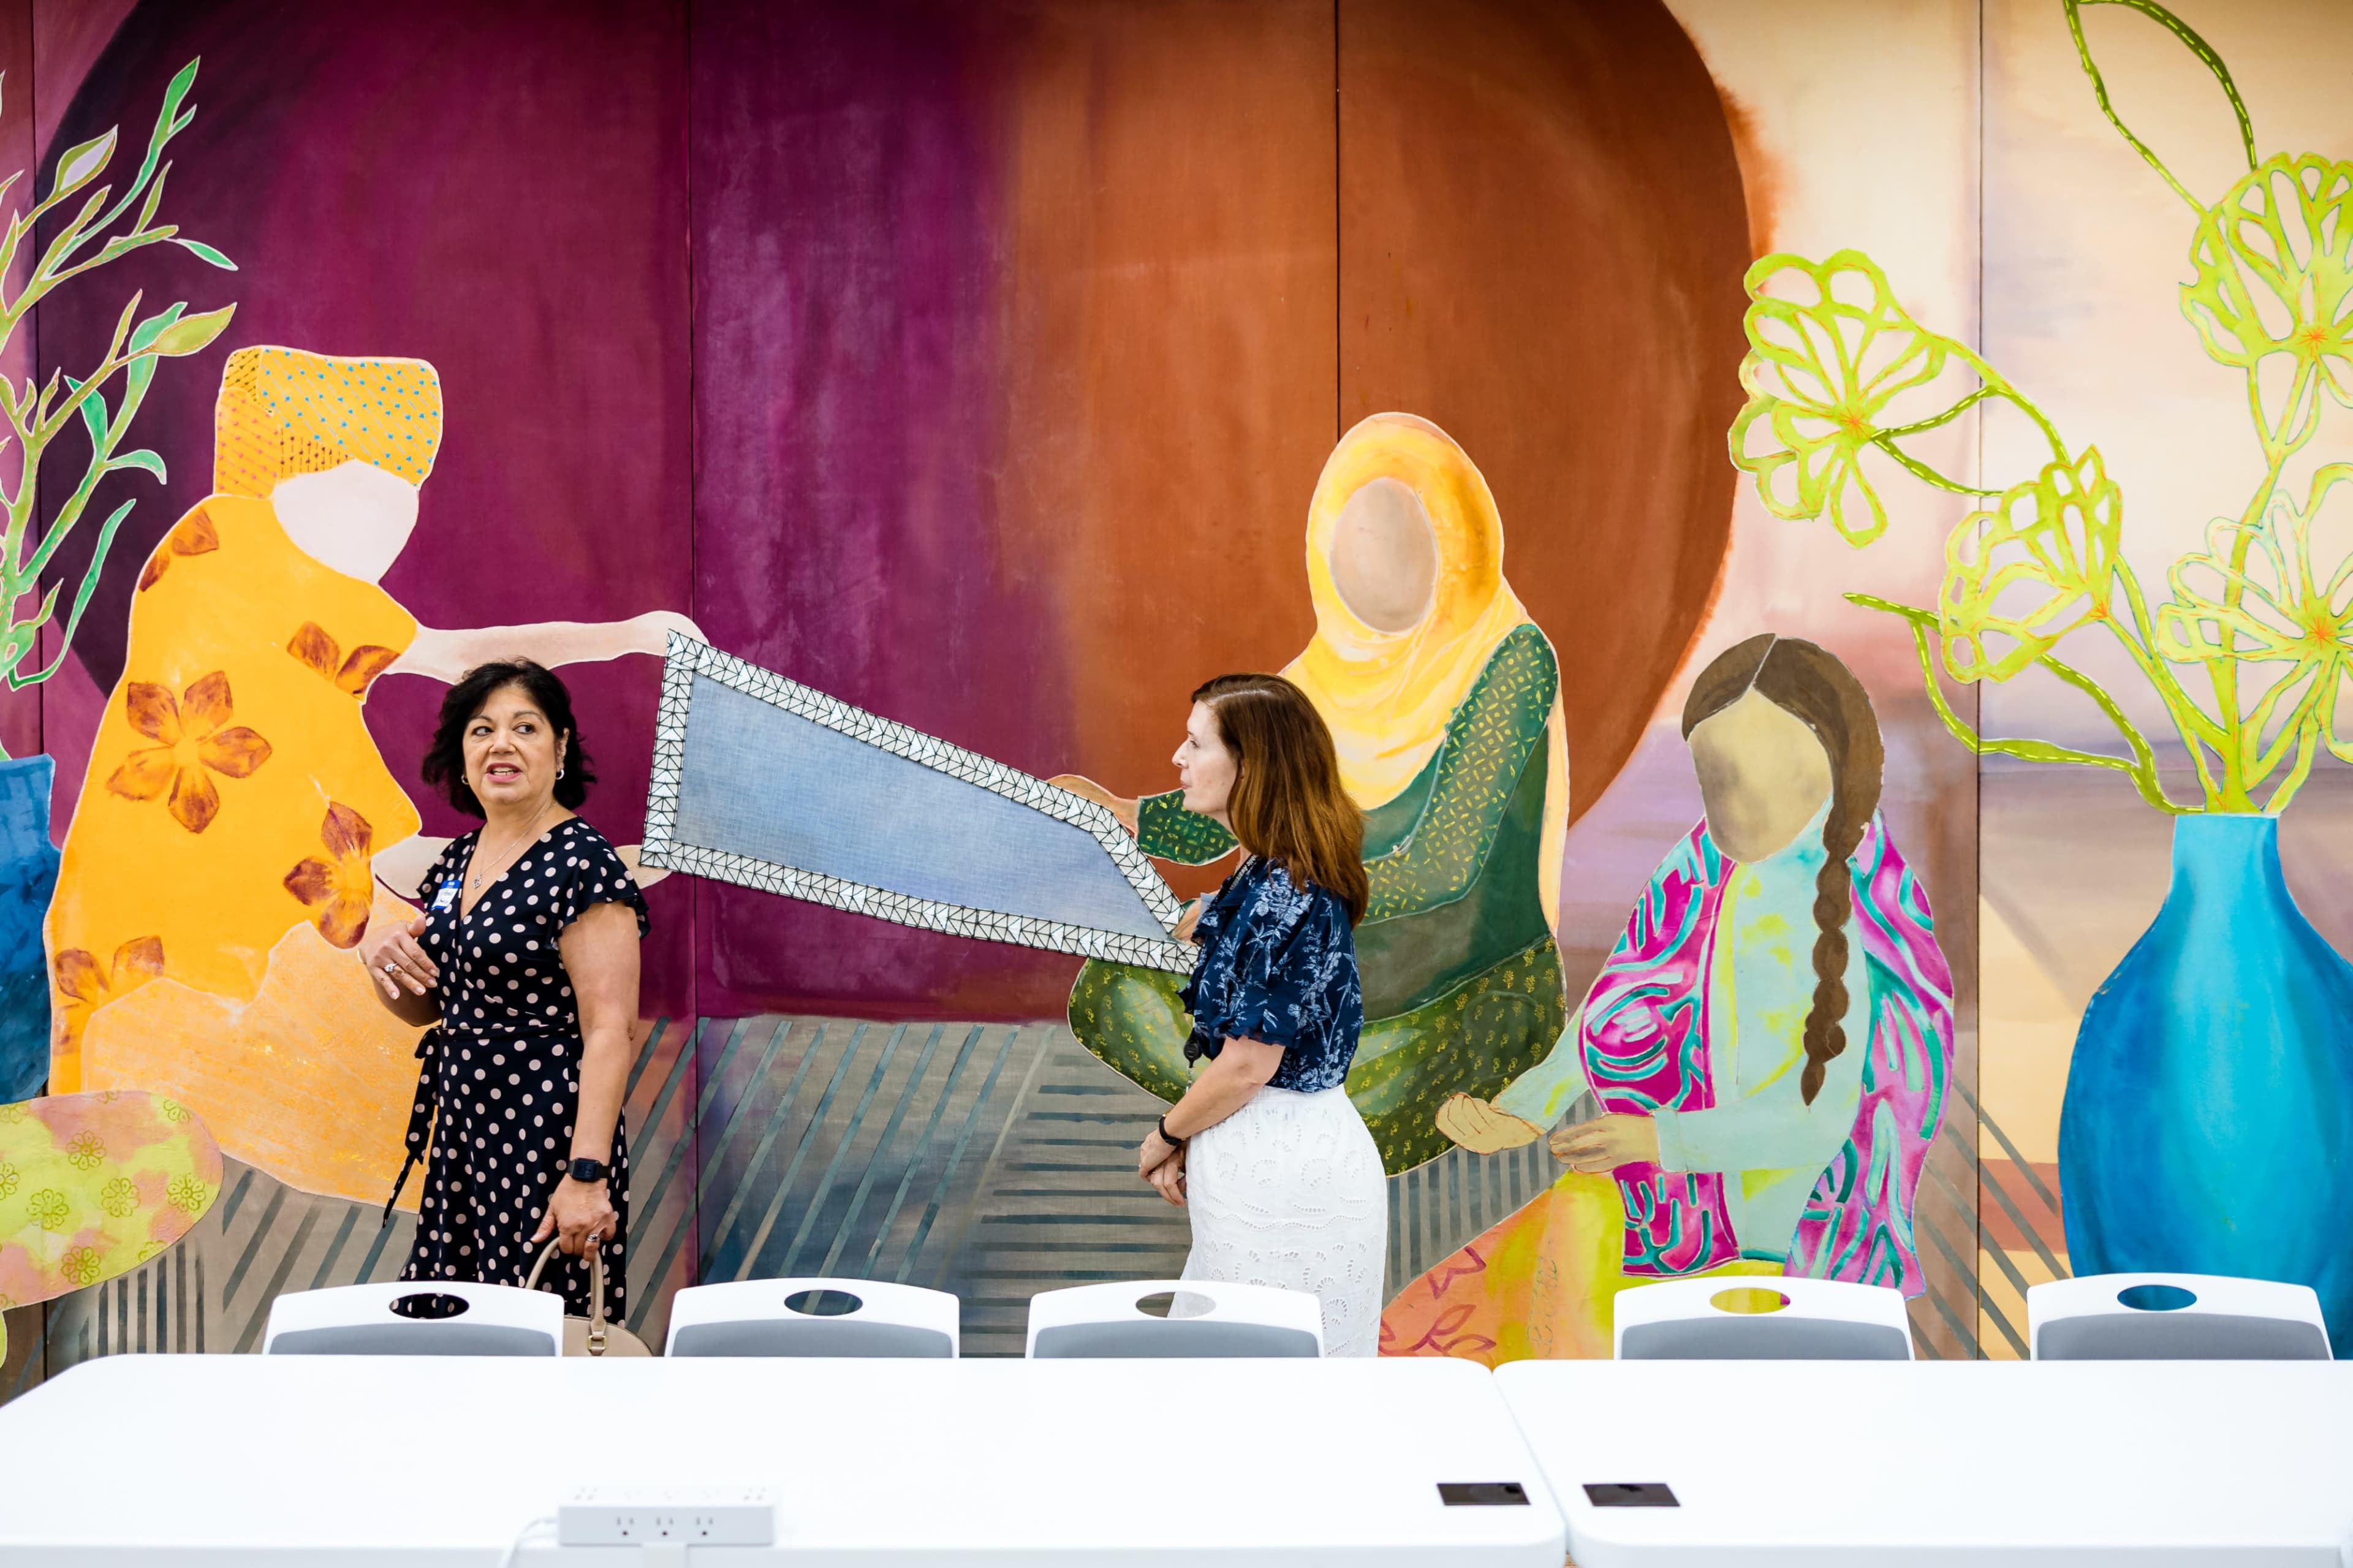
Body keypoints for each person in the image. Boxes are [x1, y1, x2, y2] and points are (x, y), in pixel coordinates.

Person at [48, 346, 690, 1205]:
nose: (388, 535)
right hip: (167, 875)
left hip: (195, 878)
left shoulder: (288, 580)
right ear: (307, 478)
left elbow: (440, 674)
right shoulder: (230, 550)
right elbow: (450, 668)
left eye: (402, 511)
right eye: (373, 502)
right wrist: (626, 636)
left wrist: (627, 637)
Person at [1383, 634, 1953, 1362]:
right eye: (1714, 775)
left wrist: (1660, 1141)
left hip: (1797, 1256)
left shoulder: (1863, 909)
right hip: (1682, 1225)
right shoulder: (1701, 864)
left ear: (1829, 760)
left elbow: (1819, 1124)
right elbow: (1624, 987)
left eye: (1755, 770)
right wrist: (1527, 1107)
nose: (1733, 800)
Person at [1064, 413, 1570, 1174]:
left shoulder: (1508, 660)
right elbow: (1251, 801)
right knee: (1114, 989)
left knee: (1365, 1093)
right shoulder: (1321, 676)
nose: (1378, 561)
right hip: (1321, 965)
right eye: (1357, 535)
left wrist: (1263, 914)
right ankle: (1244, 1093)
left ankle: (1241, 1097)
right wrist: (1123, 817)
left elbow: (1444, 863)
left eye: (1408, 533)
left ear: (1460, 538)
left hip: (1468, 983)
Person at [357, 660, 648, 1318]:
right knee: (456, 1340)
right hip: (466, 1137)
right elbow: (427, 1008)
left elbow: (610, 1029)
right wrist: (377, 960)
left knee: (538, 1337)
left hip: (546, 1136)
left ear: (561, 747)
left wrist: (586, 1177)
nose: (501, 745)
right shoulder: (458, 860)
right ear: (462, 756)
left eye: (526, 727)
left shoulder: (582, 862)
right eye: (481, 730)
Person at [1133, 674, 1387, 1357]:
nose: (1178, 761)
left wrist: (1167, 1133)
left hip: (1288, 1177)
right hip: (1264, 1160)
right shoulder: (1265, 878)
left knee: (1266, 1401)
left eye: (1195, 743)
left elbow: (1248, 1063)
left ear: (1251, 765)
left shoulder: (1287, 892)